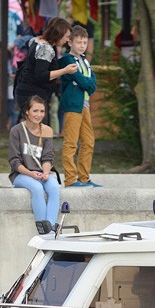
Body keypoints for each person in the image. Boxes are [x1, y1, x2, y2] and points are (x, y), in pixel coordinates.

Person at [9, 95, 60, 231]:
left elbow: (47, 157)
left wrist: (46, 172)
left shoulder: (47, 130)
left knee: (54, 187)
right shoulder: (16, 131)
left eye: (42, 111)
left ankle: (51, 227)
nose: (39, 115)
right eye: (35, 111)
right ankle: (43, 227)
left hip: (41, 172)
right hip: (21, 174)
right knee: (37, 188)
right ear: (27, 111)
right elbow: (14, 161)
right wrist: (31, 174)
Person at [14, 16, 77, 116]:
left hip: (24, 90)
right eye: (66, 36)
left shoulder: (35, 40)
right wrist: (65, 70)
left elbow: (28, 47)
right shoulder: (46, 48)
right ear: (58, 34)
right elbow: (41, 75)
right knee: (40, 130)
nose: (67, 40)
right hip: (34, 95)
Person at [59, 24, 97, 188]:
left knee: (88, 142)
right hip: (73, 105)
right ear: (70, 42)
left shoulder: (85, 62)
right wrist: (84, 82)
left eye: (84, 42)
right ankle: (70, 179)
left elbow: (92, 84)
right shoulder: (67, 59)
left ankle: (84, 177)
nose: (82, 45)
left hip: (85, 105)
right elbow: (82, 80)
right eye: (79, 42)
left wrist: (84, 82)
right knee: (71, 142)